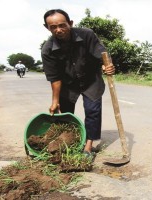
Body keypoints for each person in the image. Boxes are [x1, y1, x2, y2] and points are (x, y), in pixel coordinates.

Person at [41, 9, 115, 157]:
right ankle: (72, 141)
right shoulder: (47, 50)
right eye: (53, 27)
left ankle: (88, 146)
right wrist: (55, 101)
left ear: (70, 23)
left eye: (62, 25)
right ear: (47, 28)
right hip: (67, 84)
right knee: (67, 115)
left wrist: (106, 65)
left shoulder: (86, 34)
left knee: (92, 111)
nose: (58, 30)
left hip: (91, 80)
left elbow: (102, 54)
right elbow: (54, 78)